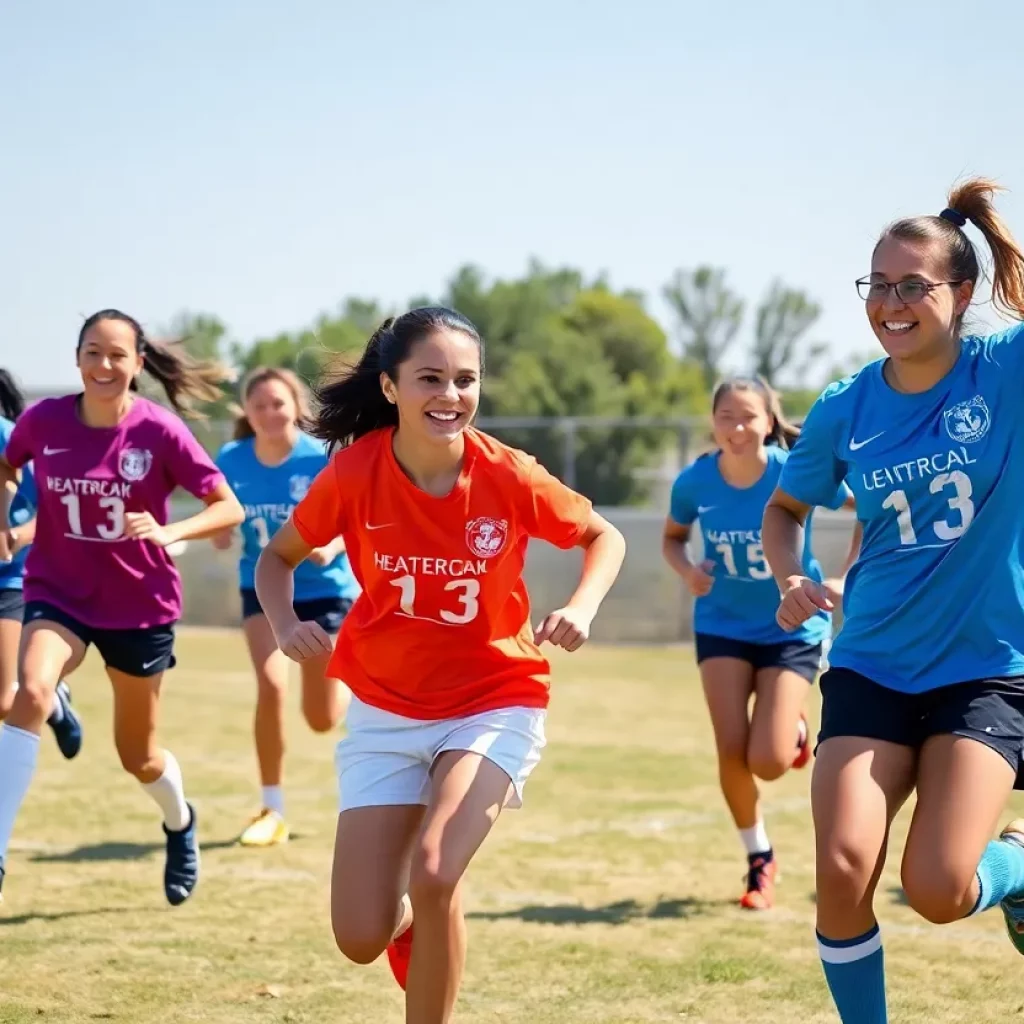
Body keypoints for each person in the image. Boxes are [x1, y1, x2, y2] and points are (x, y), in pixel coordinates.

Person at [254, 307, 626, 1024]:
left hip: (495, 698)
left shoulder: (509, 473)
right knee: (360, 936)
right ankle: (414, 935)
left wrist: (581, 606)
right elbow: (277, 560)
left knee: (434, 871)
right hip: (386, 711)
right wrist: (284, 622)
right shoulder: (355, 472)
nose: (450, 395)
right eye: (431, 378)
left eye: (465, 380)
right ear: (391, 387)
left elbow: (602, 535)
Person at [762, 178, 1024, 1024]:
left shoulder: (1004, 368)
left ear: (963, 293)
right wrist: (790, 574)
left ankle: (1015, 865)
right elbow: (785, 508)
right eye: (879, 284)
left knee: (940, 888)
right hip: (873, 662)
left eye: (916, 284)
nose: (893, 302)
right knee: (842, 871)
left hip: (985, 674)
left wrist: (1006, 253)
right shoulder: (847, 405)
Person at [0, 310, 244, 906]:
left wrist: (168, 531)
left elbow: (227, 506)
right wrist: (8, 508)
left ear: (138, 364)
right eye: (92, 353)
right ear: (77, 359)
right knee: (27, 691)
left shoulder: (159, 431)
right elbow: (8, 464)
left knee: (139, 756)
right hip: (58, 594)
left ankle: (180, 821)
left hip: (140, 607)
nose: (104, 365)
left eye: (116, 355)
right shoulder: (44, 420)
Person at [663, 376, 860, 910]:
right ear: (713, 423)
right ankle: (759, 858)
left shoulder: (791, 470)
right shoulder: (694, 482)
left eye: (748, 416)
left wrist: (848, 575)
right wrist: (687, 572)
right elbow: (673, 538)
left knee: (769, 760)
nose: (737, 427)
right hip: (722, 624)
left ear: (769, 422)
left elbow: (867, 508)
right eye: (726, 416)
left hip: (791, 624)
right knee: (730, 750)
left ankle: (793, 731)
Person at [213, 366, 358, 846]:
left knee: (320, 720)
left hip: (324, 592)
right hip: (264, 589)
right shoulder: (231, 459)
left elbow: (355, 516)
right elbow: (220, 514)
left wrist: (331, 547)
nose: (270, 413)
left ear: (296, 407)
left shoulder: (321, 458)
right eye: (260, 406)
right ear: (247, 414)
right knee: (271, 684)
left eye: (279, 404)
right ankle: (271, 808)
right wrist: (217, 529)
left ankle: (352, 689)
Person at [0, 370, 83, 758]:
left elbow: (52, 509)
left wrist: (14, 537)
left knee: (6, 701)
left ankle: (54, 704)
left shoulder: (8, 436)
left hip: (12, 578)